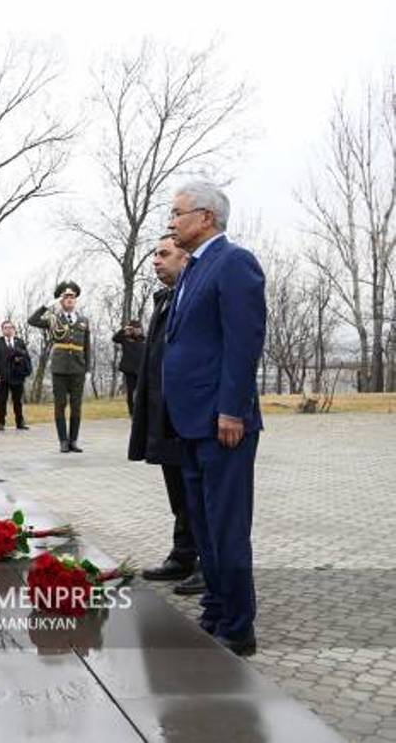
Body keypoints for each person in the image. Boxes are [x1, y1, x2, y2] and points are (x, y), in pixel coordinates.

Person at [163, 181, 266, 656]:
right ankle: (216, 610)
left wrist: (233, 409)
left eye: (177, 213)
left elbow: (243, 346)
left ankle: (239, 627)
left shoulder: (234, 263)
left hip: (222, 422)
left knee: (226, 526)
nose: (171, 221)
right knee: (204, 526)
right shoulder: (192, 270)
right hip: (190, 423)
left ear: (205, 217)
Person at [129, 234, 204, 595]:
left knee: (195, 493)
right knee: (177, 488)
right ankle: (183, 554)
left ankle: (208, 562)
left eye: (163, 254)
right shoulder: (165, 298)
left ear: (185, 259)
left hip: (185, 415)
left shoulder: (191, 298)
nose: (155, 261)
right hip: (163, 412)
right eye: (153, 255)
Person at [28, 281, 91, 453]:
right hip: (60, 368)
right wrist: (46, 306)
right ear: (61, 300)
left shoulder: (84, 320)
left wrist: (88, 369)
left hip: (78, 368)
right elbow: (32, 320)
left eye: (72, 296)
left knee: (76, 406)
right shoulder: (53, 319)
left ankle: (73, 441)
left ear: (75, 299)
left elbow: (87, 346)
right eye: (66, 296)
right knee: (60, 405)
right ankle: (63, 441)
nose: (69, 299)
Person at [0, 320, 32, 431]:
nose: (9, 329)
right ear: (2, 330)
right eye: (6, 328)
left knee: (18, 401)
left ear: (14, 329)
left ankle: (20, 422)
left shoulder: (19, 342)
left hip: (17, 376)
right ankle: (1, 423)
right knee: (2, 401)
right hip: (3, 377)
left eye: (11, 327)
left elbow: (26, 357)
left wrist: (20, 360)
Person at [112, 319, 144, 416]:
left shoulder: (144, 339)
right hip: (129, 369)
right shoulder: (125, 338)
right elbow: (115, 339)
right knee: (131, 391)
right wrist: (124, 330)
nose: (137, 331)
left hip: (141, 369)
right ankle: (132, 412)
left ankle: (141, 411)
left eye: (139, 328)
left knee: (141, 391)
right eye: (135, 329)